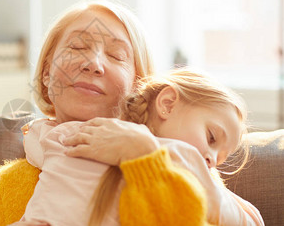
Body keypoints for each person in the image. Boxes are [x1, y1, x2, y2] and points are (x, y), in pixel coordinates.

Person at [0, 0, 263, 226]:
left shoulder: (181, 169)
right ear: (47, 74)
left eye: (116, 55)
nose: (93, 64)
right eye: (76, 48)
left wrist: (145, 160)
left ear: (138, 86)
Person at [20, 69, 263, 226]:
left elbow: (36, 148)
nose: (210, 160)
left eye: (219, 159)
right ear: (167, 104)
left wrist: (37, 129)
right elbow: (249, 221)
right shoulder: (184, 157)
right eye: (211, 137)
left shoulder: (70, 132)